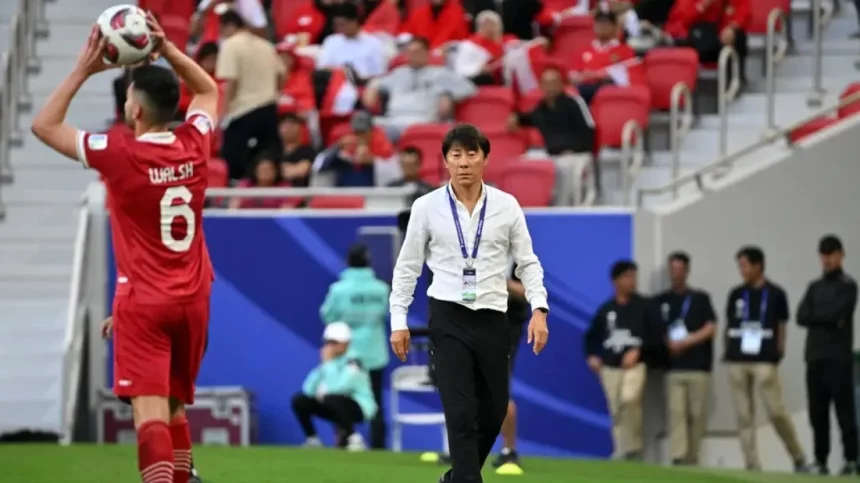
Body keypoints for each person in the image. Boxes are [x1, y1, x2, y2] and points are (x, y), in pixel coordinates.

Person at [31, 16, 218, 483]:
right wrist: (171, 51)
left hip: (145, 301)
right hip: (192, 299)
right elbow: (210, 91)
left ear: (135, 110)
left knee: (150, 413)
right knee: (174, 408)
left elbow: (44, 125)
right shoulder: (195, 144)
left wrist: (82, 69)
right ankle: (183, 477)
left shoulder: (120, 153)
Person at [389, 124, 549, 483]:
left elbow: (528, 262)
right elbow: (407, 267)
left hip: (494, 317)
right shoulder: (426, 207)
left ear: (485, 159)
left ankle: (455, 479)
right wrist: (398, 319)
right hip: (447, 317)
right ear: (445, 161)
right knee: (459, 410)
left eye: (471, 154)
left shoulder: (506, 206)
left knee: (493, 411)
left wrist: (539, 309)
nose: (463, 163)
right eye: (456, 155)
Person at [724, 246, 808, 473]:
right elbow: (729, 325)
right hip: (737, 360)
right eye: (739, 266)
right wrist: (728, 350)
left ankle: (798, 457)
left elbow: (782, 326)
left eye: (745, 265)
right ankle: (752, 465)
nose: (741, 270)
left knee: (776, 411)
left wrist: (777, 354)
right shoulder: (735, 294)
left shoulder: (776, 293)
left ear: (758, 265)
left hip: (764, 360)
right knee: (743, 416)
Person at [798, 235, 859, 476]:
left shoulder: (849, 285)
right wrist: (826, 318)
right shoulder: (814, 287)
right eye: (824, 254)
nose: (827, 259)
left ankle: (852, 459)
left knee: (845, 413)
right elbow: (801, 316)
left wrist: (820, 317)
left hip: (839, 358)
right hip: (815, 357)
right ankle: (820, 460)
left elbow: (839, 314)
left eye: (832, 254)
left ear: (841, 255)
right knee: (817, 413)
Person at [320, 244, 391, 450]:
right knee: (375, 400)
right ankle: (379, 446)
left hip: (345, 353)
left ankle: (344, 440)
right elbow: (386, 314)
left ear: (348, 262)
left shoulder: (339, 290)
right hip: (375, 352)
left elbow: (327, 316)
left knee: (339, 396)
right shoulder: (381, 289)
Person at [583, 260, 655, 460]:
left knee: (629, 399)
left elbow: (656, 335)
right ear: (615, 281)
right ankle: (621, 450)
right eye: (627, 277)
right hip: (610, 367)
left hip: (636, 366)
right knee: (615, 408)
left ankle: (633, 447)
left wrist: (639, 351)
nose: (632, 281)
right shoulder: (606, 309)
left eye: (634, 276)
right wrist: (591, 356)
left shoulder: (645, 306)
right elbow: (591, 336)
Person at [653, 252, 716, 466]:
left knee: (697, 414)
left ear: (687, 271)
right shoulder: (661, 300)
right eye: (672, 269)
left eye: (679, 269)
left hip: (698, 366)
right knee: (676, 413)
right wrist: (669, 344)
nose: (675, 274)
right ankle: (679, 458)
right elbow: (656, 329)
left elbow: (711, 328)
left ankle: (693, 457)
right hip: (673, 367)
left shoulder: (700, 298)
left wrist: (687, 341)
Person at [362, 37, 476, 142]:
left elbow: (470, 88)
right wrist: (371, 89)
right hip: (392, 119)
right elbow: (377, 83)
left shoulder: (441, 73)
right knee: (360, 122)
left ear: (427, 53)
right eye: (409, 52)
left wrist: (448, 95)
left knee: (382, 134)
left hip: (422, 121)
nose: (412, 56)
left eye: (416, 52)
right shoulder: (399, 73)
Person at [216, 10, 285, 181]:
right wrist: (275, 92)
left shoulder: (231, 44)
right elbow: (282, 73)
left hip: (243, 111)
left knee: (236, 164)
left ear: (230, 26)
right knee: (266, 159)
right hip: (269, 108)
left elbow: (231, 81)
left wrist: (223, 114)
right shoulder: (266, 45)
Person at [291, 322, 378, 451]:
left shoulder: (355, 361)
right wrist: (324, 365)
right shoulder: (329, 361)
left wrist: (327, 364)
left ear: (346, 343)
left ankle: (353, 438)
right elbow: (308, 389)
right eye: (328, 342)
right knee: (299, 400)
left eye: (335, 342)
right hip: (332, 404)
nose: (330, 346)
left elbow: (339, 387)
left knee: (332, 398)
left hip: (359, 408)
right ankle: (312, 439)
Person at [490, 261, 531, 472]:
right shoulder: (474, 251)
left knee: (500, 390)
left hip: (504, 330)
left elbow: (527, 292)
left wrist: (499, 281)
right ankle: (461, 450)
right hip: (473, 325)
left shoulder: (519, 258)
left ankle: (509, 450)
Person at [570, 10, 638, 105]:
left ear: (615, 27)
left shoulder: (625, 50)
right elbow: (573, 74)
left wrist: (594, 75)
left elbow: (624, 77)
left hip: (610, 89)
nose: (601, 26)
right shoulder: (583, 49)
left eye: (606, 23)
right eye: (598, 23)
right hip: (583, 88)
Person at [317, 3, 387, 86]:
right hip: (334, 83)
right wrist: (341, 71)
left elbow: (379, 74)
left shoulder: (373, 43)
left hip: (362, 84)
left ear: (354, 22)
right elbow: (322, 67)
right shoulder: (331, 41)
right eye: (336, 25)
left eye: (342, 24)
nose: (338, 28)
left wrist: (355, 76)